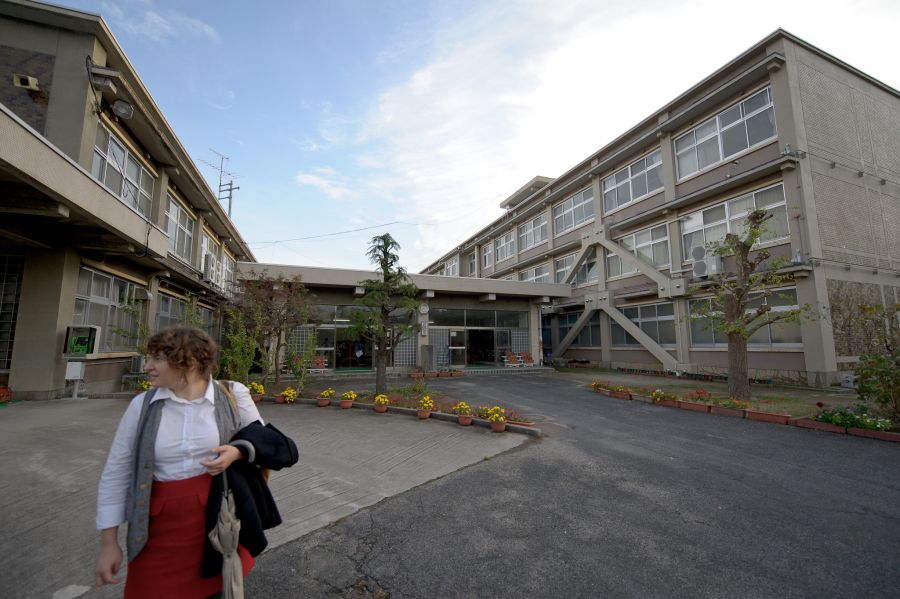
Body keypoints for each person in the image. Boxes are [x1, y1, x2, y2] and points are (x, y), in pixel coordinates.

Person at [94, 326, 263, 597]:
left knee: (216, 590)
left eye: (157, 359)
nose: (147, 366)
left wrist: (238, 451)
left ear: (189, 362)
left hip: (218, 523)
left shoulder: (232, 395)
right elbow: (116, 472)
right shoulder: (142, 405)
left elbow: (264, 443)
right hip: (157, 528)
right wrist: (108, 543)